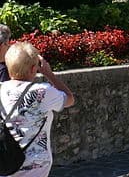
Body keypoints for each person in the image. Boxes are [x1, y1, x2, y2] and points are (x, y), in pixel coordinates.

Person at [0, 42, 74, 176]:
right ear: (34, 68)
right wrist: (48, 73)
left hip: (4, 162)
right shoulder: (43, 92)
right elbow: (69, 99)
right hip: (35, 166)